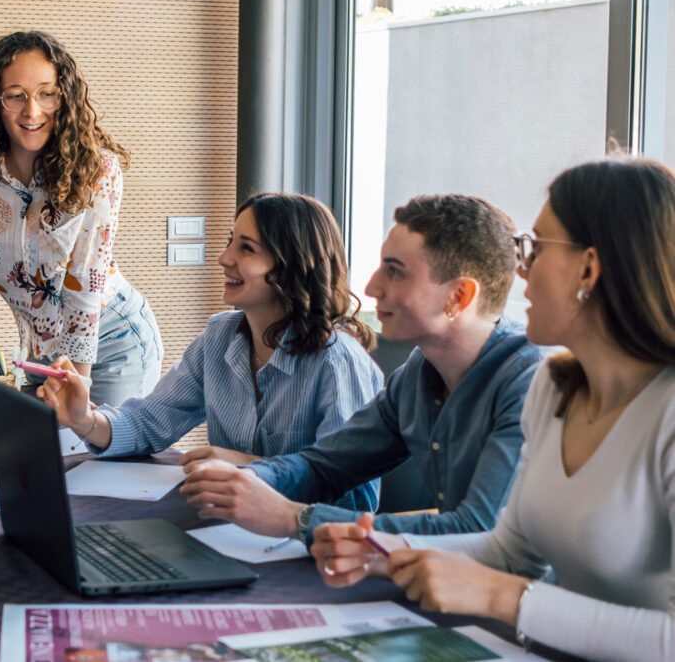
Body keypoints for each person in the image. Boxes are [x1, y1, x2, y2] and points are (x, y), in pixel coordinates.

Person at [312, 158, 675, 662]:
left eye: (535, 247)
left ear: (589, 269)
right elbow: (509, 553)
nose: (519, 267)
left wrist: (502, 597)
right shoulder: (553, 389)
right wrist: (383, 553)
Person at [179, 194, 544, 544]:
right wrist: (246, 479)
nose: (371, 287)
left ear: (459, 297)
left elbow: (475, 530)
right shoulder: (418, 372)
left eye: (395, 272)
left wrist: (294, 518)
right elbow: (326, 465)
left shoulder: (528, 383)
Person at [39, 193, 384, 510]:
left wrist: (247, 467)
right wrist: (85, 419)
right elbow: (150, 421)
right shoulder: (219, 335)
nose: (223, 258)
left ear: (291, 265)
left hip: (302, 551)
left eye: (247, 248)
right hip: (229, 528)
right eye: (229, 242)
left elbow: (354, 500)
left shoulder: (338, 362)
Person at [0, 31, 162, 407]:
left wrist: (79, 391)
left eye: (47, 93)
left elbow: (84, 287)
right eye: (15, 95)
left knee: (92, 458)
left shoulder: (95, 170)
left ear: (65, 97)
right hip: (41, 355)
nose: (32, 111)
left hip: (114, 345)